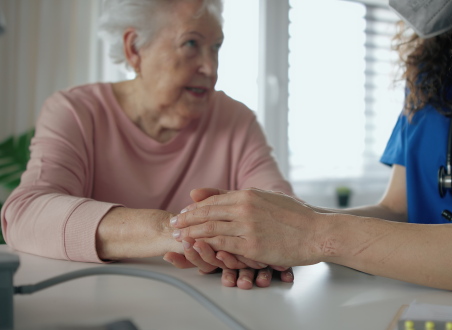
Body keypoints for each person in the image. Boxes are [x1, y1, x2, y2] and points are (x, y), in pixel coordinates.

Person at [167, 0, 452, 299]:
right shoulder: (440, 60)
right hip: (425, 308)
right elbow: (399, 207)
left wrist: (315, 234)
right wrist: (274, 234)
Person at [0, 0, 294, 290]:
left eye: (216, 47)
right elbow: (26, 214)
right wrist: (174, 231)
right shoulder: (76, 111)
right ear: (135, 48)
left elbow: (282, 216)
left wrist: (259, 246)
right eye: (191, 44)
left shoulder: (236, 120)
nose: (210, 67)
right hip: (94, 302)